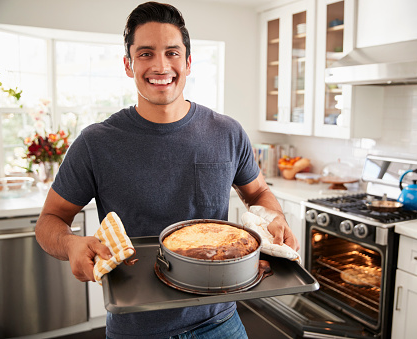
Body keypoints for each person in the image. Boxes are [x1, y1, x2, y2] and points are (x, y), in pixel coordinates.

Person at [35, 2, 299, 339]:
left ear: (188, 62)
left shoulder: (227, 132)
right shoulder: (96, 143)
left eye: (172, 52)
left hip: (220, 323)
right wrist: (72, 245)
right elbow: (49, 222)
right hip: (136, 328)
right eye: (145, 53)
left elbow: (258, 192)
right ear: (128, 65)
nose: (161, 65)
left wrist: (275, 216)